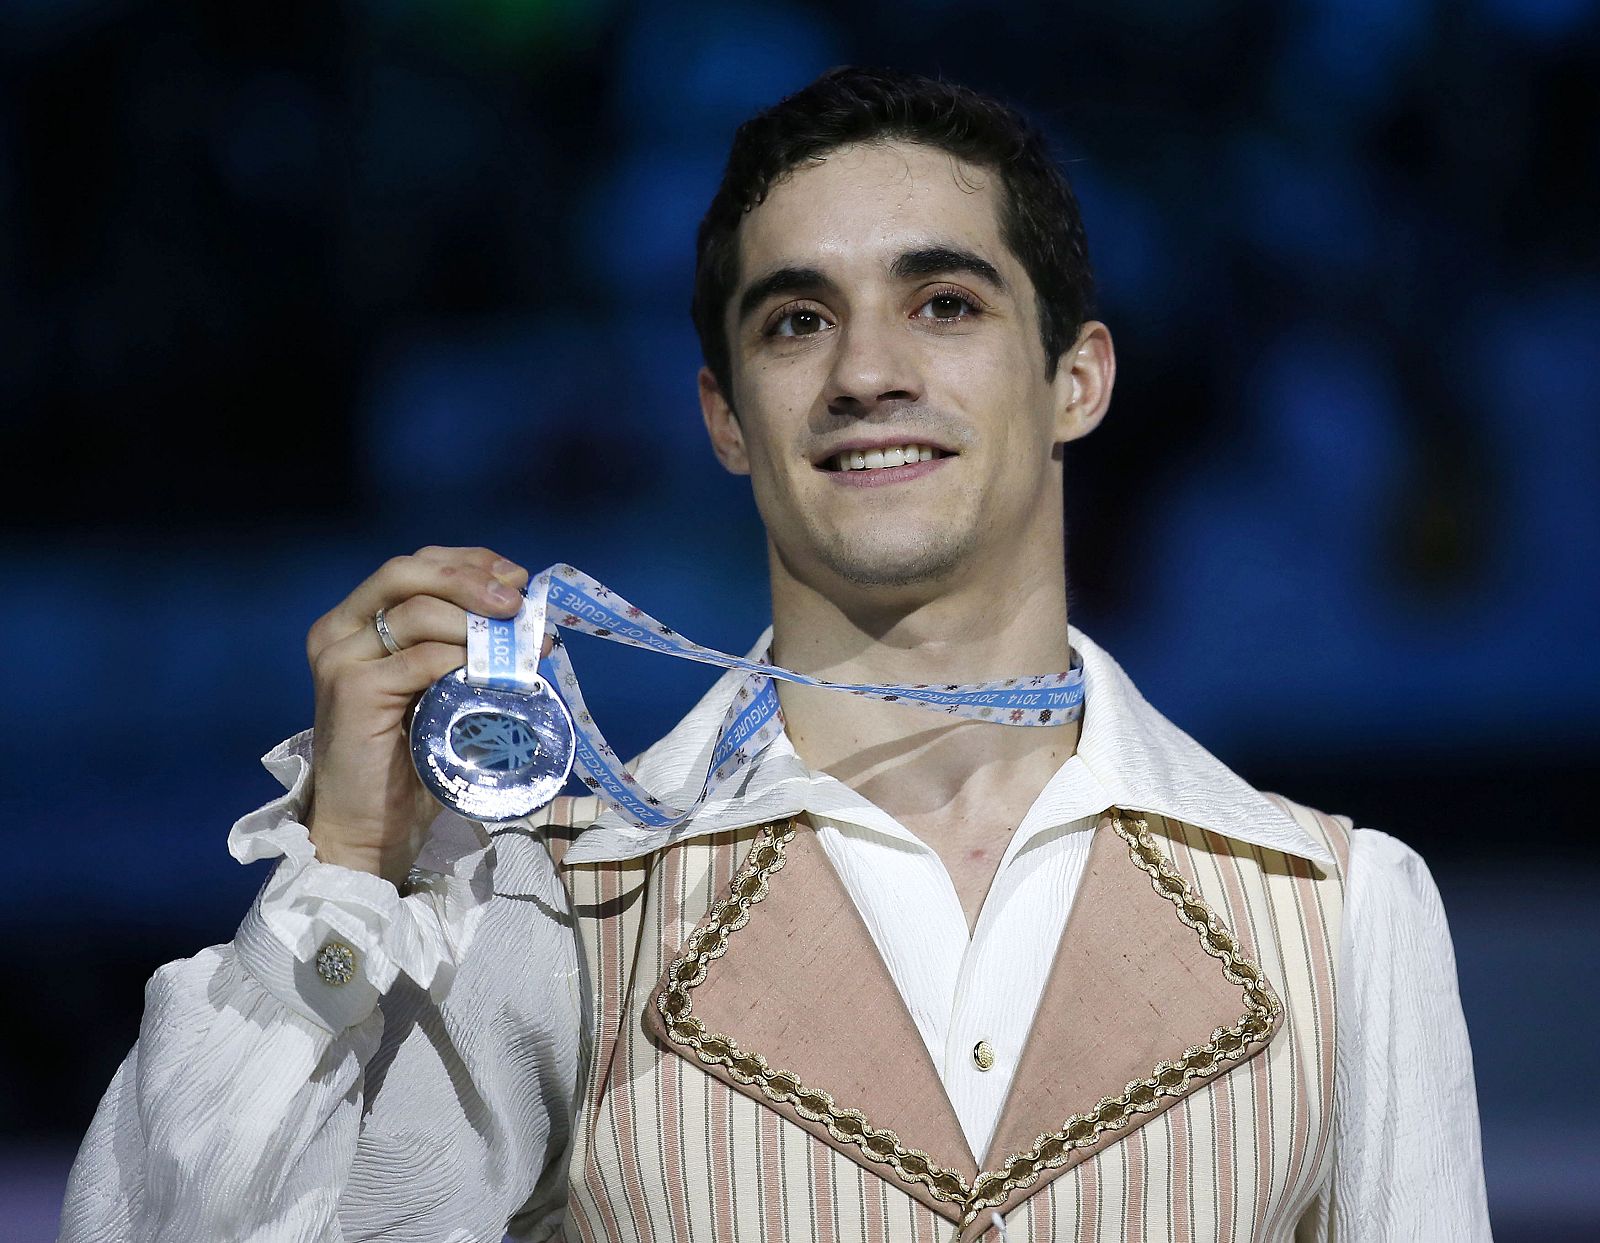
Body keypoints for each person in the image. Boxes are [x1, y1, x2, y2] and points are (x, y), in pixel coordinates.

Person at [60, 67, 1491, 1242]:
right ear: (726, 418)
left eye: (946, 304)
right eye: (797, 320)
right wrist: (347, 866)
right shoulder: (563, 901)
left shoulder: (1336, 913)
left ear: (1078, 379)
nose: (868, 371)